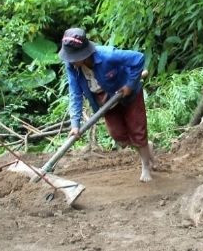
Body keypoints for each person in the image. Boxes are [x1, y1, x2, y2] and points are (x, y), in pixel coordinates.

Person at [58, 28, 155, 182]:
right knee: (118, 135)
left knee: (137, 130)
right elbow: (75, 94)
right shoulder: (72, 67)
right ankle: (145, 146)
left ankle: (145, 166)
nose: (70, 60)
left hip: (128, 94)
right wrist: (75, 125)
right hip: (104, 101)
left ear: (84, 54)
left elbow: (138, 59)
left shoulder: (107, 55)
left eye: (73, 57)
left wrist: (129, 85)